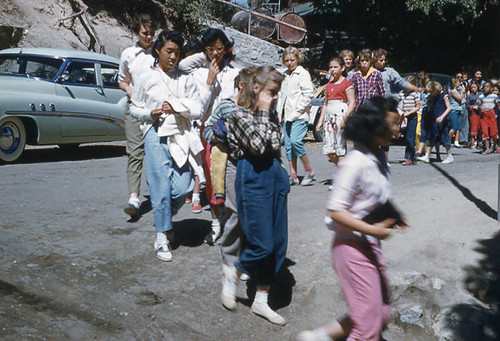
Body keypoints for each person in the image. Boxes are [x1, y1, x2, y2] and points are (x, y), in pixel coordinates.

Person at [297, 97, 407, 341]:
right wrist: (374, 230)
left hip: (368, 246)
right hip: (351, 249)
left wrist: (395, 216)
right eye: (393, 123)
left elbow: (372, 197)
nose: (397, 129)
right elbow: (335, 211)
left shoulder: (376, 159)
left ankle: (319, 337)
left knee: (380, 313)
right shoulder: (354, 162)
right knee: (368, 327)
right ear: (374, 125)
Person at [223, 65, 289, 325]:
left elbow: (276, 142)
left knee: (278, 245)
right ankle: (234, 272)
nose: (275, 98)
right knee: (262, 243)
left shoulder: (269, 115)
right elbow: (260, 146)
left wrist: (283, 178)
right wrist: (263, 111)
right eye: (272, 93)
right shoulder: (237, 114)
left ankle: (261, 301)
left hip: (274, 177)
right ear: (257, 89)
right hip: (252, 178)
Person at [129, 30, 203, 262]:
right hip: (155, 133)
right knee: (159, 184)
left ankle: (165, 218)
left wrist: (177, 106)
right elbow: (133, 108)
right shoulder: (145, 77)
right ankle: (162, 236)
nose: (173, 56)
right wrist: (149, 113)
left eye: (177, 53)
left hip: (180, 135)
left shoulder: (185, 78)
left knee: (183, 186)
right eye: (169, 51)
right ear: (158, 50)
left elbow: (198, 108)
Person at [202, 67, 255, 309]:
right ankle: (229, 262)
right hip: (233, 164)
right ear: (242, 85)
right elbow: (206, 130)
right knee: (237, 213)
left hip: (254, 165)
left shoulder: (260, 107)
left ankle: (242, 260)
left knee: (251, 216)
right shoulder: (225, 105)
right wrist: (219, 135)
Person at [193, 28, 240, 245]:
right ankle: (215, 221)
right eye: (211, 48)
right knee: (212, 178)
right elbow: (199, 111)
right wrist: (209, 81)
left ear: (226, 49)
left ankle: (231, 218)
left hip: (232, 133)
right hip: (209, 132)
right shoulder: (198, 74)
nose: (215, 53)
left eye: (219, 48)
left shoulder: (234, 73)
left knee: (230, 177)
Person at [118, 14, 157, 219]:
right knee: (134, 152)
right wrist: (129, 89)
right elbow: (121, 80)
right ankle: (134, 197)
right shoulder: (128, 54)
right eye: (145, 33)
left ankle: (159, 193)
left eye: (151, 33)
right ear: (137, 31)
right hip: (134, 109)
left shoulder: (159, 54)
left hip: (155, 111)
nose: (148, 37)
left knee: (155, 153)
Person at [277, 46, 315, 186]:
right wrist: (279, 112)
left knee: (295, 142)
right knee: (288, 146)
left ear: (297, 59)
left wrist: (298, 110)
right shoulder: (284, 75)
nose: (289, 63)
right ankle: (293, 174)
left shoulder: (302, 73)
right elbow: (281, 95)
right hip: (286, 116)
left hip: (299, 115)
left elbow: (308, 93)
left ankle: (308, 170)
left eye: (292, 60)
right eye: (286, 60)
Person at [315, 57, 355, 165]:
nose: (333, 69)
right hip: (329, 116)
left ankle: (343, 174)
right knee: (328, 148)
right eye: (331, 67)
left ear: (342, 68)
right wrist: (320, 121)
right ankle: (344, 168)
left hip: (340, 114)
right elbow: (325, 104)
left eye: (335, 67)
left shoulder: (347, 84)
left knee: (340, 146)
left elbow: (352, 102)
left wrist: (345, 118)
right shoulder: (328, 85)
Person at [416, 81, 454, 164]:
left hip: (442, 121)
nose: (430, 93)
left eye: (431, 92)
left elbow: (448, 108)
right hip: (434, 120)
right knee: (432, 137)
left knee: (445, 138)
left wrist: (442, 117)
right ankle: (427, 156)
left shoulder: (444, 96)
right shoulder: (432, 96)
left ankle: (449, 155)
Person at [398, 75, 421, 165]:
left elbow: (417, 107)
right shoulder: (402, 93)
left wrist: (408, 113)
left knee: (410, 137)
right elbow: (398, 102)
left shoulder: (415, 94)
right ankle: (413, 156)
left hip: (412, 117)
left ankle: (409, 157)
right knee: (405, 137)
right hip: (403, 117)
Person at [474, 80, 499, 154]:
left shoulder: (494, 96)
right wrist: (480, 108)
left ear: (491, 88)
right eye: (484, 86)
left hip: (491, 114)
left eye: (487, 86)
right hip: (483, 115)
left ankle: (494, 146)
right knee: (485, 132)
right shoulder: (481, 97)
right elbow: (477, 105)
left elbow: (497, 105)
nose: (485, 88)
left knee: (493, 132)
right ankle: (487, 148)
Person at [448, 77, 465, 148]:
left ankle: (456, 141)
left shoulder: (457, 91)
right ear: (455, 83)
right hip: (453, 110)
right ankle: (448, 141)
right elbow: (459, 98)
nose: (460, 84)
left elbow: (461, 101)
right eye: (458, 82)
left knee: (458, 127)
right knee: (453, 127)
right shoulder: (452, 91)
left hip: (459, 109)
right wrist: (462, 92)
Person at [466, 82, 481, 150]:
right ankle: (472, 143)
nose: (473, 89)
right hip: (473, 114)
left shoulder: (481, 95)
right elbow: (467, 105)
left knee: (480, 129)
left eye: (474, 87)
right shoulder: (470, 96)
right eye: (472, 87)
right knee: (473, 129)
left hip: (481, 113)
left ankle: (479, 143)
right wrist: (473, 107)